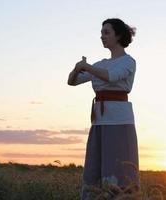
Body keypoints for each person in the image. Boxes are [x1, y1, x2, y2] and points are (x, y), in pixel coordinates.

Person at [67, 18, 140, 199]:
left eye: (106, 32)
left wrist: (87, 67)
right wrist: (78, 69)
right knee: (94, 169)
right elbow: (72, 81)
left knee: (120, 168)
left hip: (119, 122)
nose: (102, 36)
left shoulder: (128, 62)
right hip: (99, 122)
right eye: (101, 33)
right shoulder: (100, 64)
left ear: (119, 35)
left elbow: (111, 77)